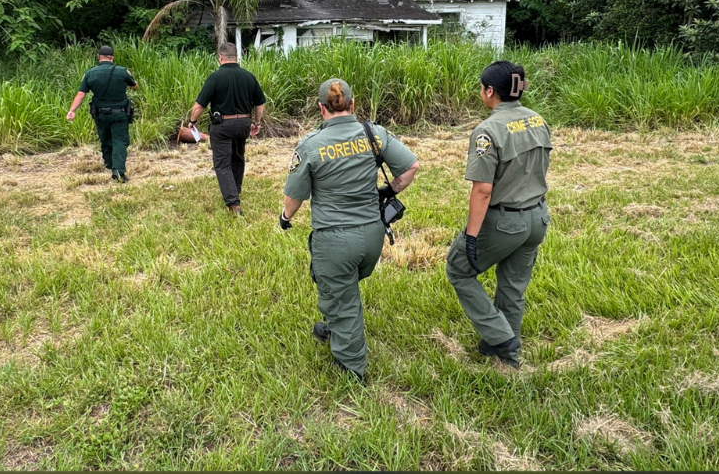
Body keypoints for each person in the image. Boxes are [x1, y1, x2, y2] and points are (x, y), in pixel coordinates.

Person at [280, 78, 420, 381]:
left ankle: (351, 368)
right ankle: (338, 327)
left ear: (321, 109)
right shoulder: (374, 134)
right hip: (373, 236)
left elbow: (294, 197)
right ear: (353, 105)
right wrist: (389, 191)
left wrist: (285, 216)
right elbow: (411, 167)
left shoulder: (311, 145)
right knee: (342, 288)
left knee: (340, 294)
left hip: (335, 239)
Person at [445, 60, 552, 370]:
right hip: (537, 217)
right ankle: (507, 353)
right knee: (512, 285)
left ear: (490, 91)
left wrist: (471, 236)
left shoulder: (487, 131)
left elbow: (482, 190)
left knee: (459, 269)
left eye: (482, 88)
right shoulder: (537, 120)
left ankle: (501, 336)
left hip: (505, 220)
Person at [189, 43, 266, 216]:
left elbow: (199, 105)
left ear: (220, 57)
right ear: (236, 57)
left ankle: (233, 203)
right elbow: (260, 102)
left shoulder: (215, 77)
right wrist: (257, 122)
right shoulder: (248, 76)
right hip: (244, 124)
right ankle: (235, 190)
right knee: (238, 158)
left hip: (222, 126)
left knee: (222, 163)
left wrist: (192, 121)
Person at [67, 45, 138, 183]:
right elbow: (134, 86)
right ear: (112, 57)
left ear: (99, 57)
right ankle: (118, 172)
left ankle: (109, 163)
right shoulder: (122, 71)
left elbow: (81, 94)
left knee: (105, 137)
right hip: (119, 113)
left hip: (100, 114)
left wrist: (72, 110)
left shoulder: (90, 73)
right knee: (119, 140)